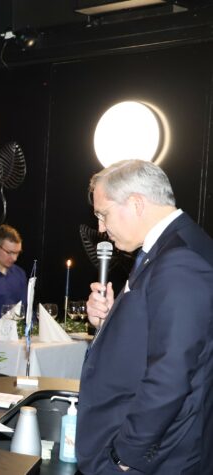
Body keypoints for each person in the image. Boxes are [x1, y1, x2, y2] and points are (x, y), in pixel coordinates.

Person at [78, 160, 213, 474]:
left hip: (155, 460)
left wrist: (125, 453)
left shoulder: (179, 258)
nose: (101, 228)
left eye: (103, 214)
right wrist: (111, 321)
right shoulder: (169, 247)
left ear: (136, 203)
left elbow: (171, 372)